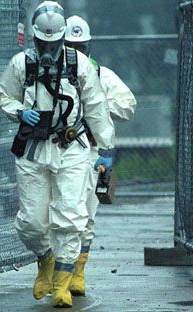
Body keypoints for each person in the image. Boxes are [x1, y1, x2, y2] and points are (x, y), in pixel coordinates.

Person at [0, 2, 115, 308]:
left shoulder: (80, 66)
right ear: (35, 39)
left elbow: (98, 108)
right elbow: (4, 97)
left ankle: (62, 282)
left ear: (62, 38)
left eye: (53, 42)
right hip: (34, 149)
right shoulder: (21, 65)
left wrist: (106, 149)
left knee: (70, 216)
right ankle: (45, 258)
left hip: (72, 148)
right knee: (32, 222)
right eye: (42, 42)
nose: (48, 47)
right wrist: (19, 112)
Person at [64, 15, 137, 297]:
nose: (77, 53)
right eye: (71, 46)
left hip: (91, 153)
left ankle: (77, 272)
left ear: (89, 46)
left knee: (85, 215)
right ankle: (57, 270)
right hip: (58, 153)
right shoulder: (49, 78)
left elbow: (128, 106)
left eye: (81, 47)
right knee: (56, 215)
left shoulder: (100, 76)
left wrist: (98, 105)